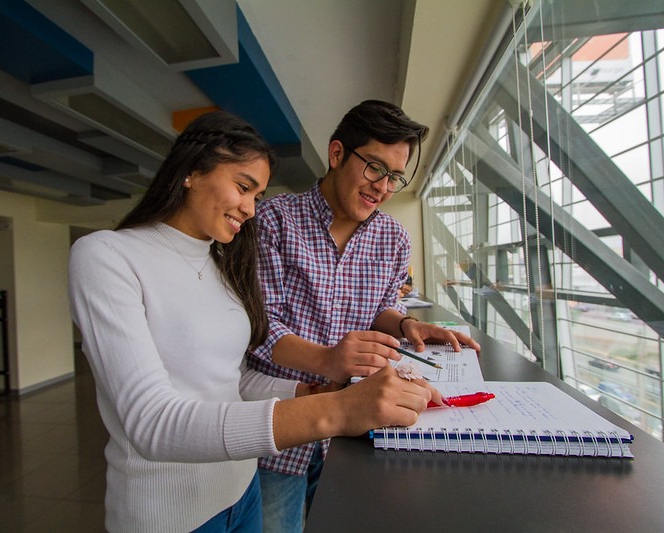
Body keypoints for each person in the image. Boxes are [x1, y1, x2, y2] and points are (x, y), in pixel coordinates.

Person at [68, 110, 443, 532]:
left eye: (257, 196)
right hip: (173, 509)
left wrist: (309, 388)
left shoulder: (221, 262)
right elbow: (151, 422)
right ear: (191, 170)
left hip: (241, 487)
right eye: (243, 188)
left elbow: (234, 378)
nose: (249, 209)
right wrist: (333, 406)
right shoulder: (106, 255)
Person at [247, 100, 482, 532]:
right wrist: (326, 359)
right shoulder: (273, 220)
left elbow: (379, 307)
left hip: (353, 433)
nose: (384, 186)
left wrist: (407, 325)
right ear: (337, 154)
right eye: (375, 167)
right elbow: (258, 327)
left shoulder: (393, 238)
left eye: (395, 176)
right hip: (281, 427)